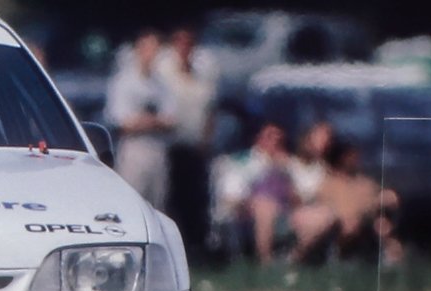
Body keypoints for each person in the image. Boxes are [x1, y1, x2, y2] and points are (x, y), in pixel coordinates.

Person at [213, 122, 335, 264]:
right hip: (245, 215)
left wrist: (287, 176)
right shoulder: (243, 162)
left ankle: (292, 259)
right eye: (270, 137)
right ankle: (265, 261)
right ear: (258, 138)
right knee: (264, 205)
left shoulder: (287, 164)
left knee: (326, 215)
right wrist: (254, 203)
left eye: (279, 140)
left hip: (283, 214)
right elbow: (231, 199)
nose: (275, 142)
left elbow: (300, 197)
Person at [157, 27, 218, 251]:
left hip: (195, 145)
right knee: (171, 196)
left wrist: (206, 139)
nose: (185, 48)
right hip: (169, 145)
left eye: (189, 43)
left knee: (195, 196)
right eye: (180, 43)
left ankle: (196, 244)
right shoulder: (163, 71)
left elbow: (210, 109)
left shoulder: (202, 74)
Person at [106, 29, 177, 211]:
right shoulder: (124, 82)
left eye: (156, 49)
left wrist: (146, 121)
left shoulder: (162, 84)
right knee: (132, 203)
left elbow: (170, 120)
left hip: (157, 150)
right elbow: (121, 122)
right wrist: (151, 122)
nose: (152, 54)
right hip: (134, 149)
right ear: (139, 49)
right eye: (148, 49)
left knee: (158, 205)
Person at [317, 141, 404, 264]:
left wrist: (387, 198)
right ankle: (339, 256)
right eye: (350, 156)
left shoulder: (364, 183)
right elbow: (330, 209)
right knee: (351, 226)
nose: (355, 160)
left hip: (366, 222)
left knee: (383, 226)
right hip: (341, 226)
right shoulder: (329, 184)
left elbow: (377, 199)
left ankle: (389, 262)